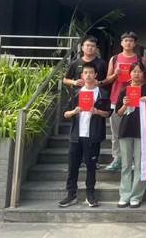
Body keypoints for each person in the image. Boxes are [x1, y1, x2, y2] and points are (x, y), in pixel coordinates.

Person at [58, 63, 110, 208]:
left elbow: (108, 113)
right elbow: (65, 114)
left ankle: (90, 195)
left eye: (91, 72)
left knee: (91, 167)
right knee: (72, 167)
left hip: (92, 136)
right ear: (82, 75)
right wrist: (74, 111)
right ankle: (71, 195)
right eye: (85, 72)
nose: (88, 75)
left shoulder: (102, 93)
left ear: (96, 75)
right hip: (76, 136)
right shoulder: (76, 93)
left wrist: (97, 112)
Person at [116, 61, 146, 208]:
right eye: (134, 71)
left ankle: (136, 196)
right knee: (126, 165)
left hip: (141, 132)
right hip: (125, 130)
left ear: (143, 74)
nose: (136, 74)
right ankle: (124, 195)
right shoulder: (123, 91)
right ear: (130, 73)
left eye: (139, 71)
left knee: (139, 165)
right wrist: (125, 104)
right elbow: (119, 113)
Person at [103, 32, 141, 172]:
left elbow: (143, 78)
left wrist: (135, 78)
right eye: (125, 40)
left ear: (134, 43)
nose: (128, 43)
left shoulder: (139, 59)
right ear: (121, 43)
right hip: (116, 99)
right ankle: (117, 158)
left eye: (131, 41)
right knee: (116, 132)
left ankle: (132, 159)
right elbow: (107, 80)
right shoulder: (114, 59)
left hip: (135, 99)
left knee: (134, 132)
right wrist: (116, 74)